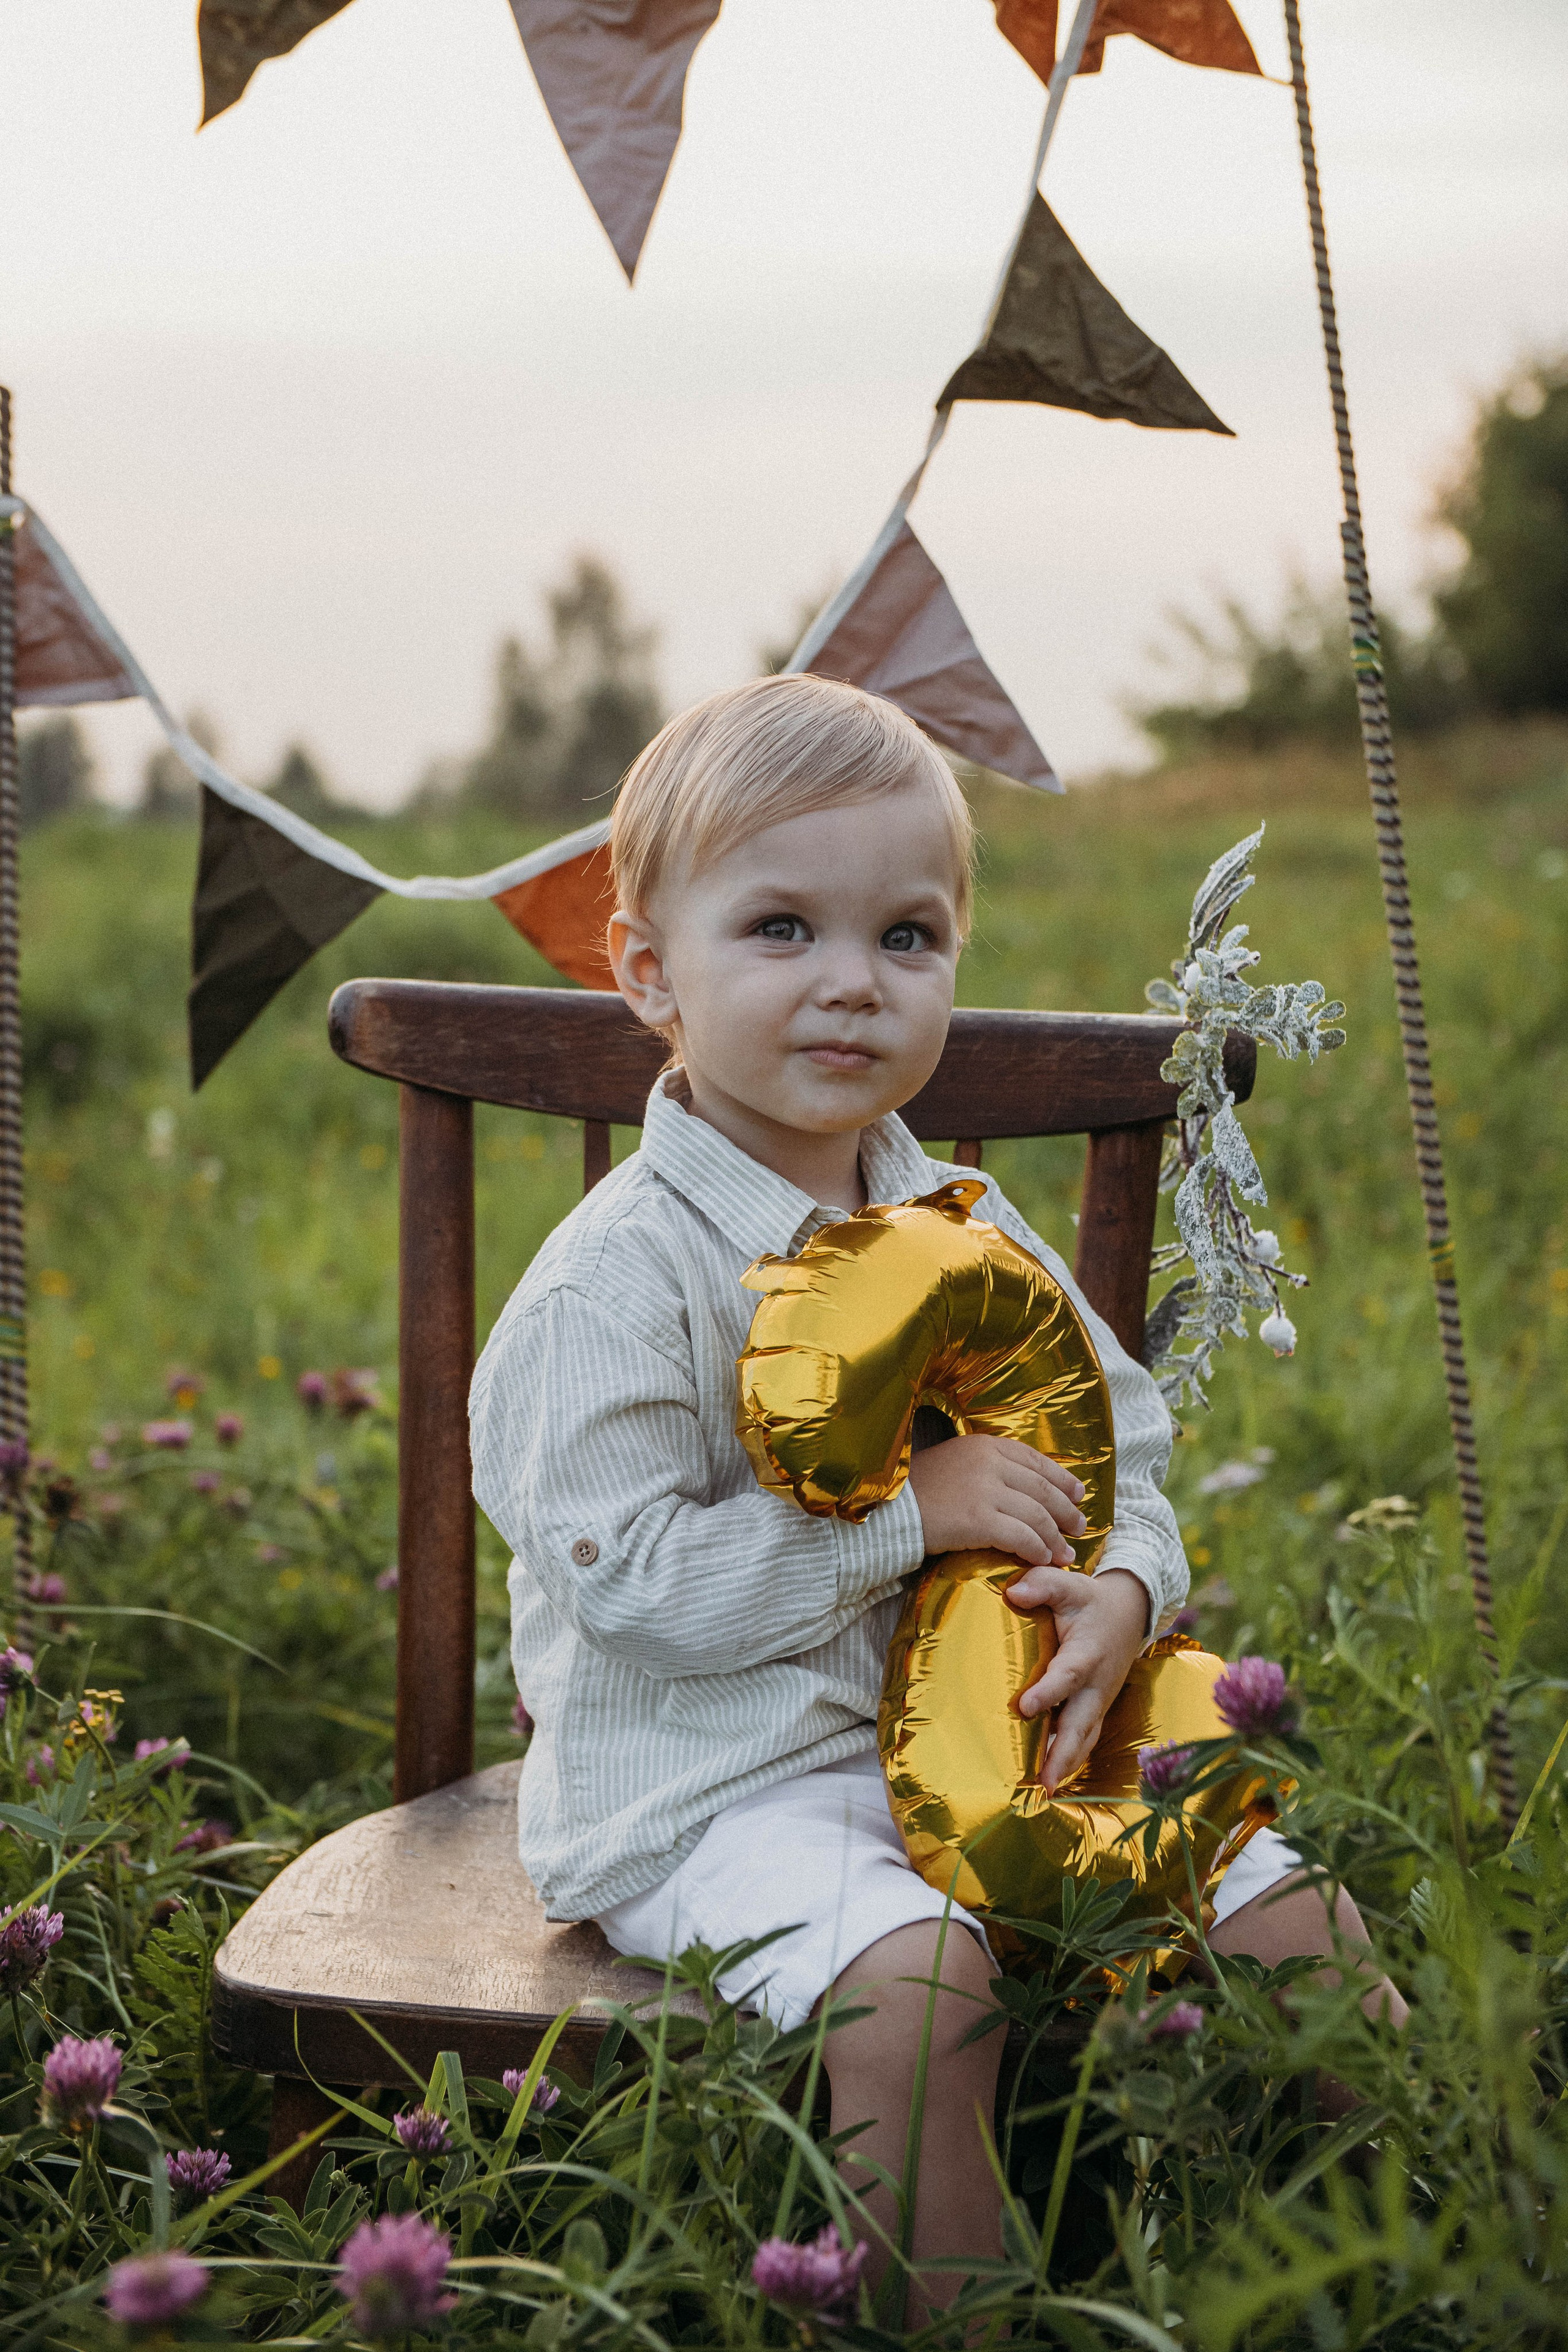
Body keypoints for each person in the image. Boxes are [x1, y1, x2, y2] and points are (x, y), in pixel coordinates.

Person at [469, 674, 1403, 2313]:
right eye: (781, 930)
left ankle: (1424, 2267)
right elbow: (636, 1589)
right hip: (724, 1783)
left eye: (907, 936)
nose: (852, 984)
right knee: (924, 1987)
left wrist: (1124, 1592)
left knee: (1291, 1915)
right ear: (644, 971)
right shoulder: (611, 1285)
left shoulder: (967, 1220)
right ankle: (961, 2315)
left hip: (999, 1739)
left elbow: (1122, 1450)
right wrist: (911, 1516)